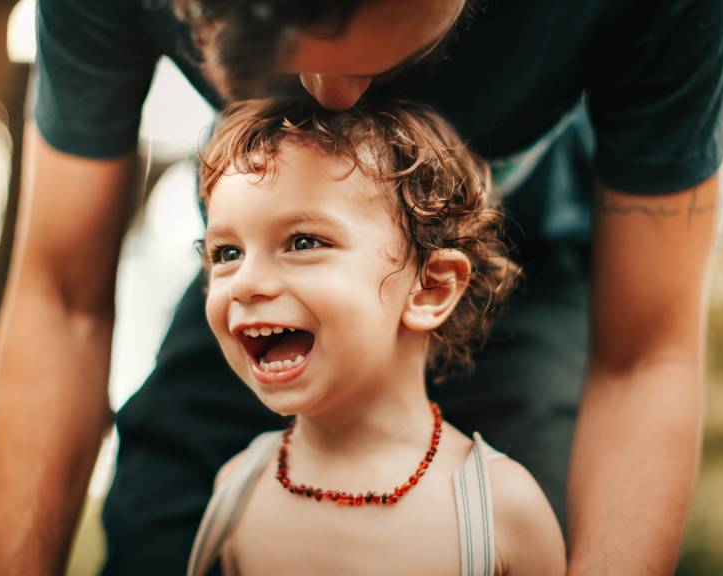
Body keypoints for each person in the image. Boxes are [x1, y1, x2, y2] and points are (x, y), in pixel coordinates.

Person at [0, 0, 723, 575]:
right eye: (279, 50)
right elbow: (61, 299)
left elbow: (646, 356)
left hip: (538, 276)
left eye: (368, 43)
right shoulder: (233, 484)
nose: (331, 93)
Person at [187, 96, 564, 576]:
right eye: (226, 252)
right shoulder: (236, 488)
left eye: (303, 242)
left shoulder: (503, 512)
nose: (243, 283)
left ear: (430, 288)